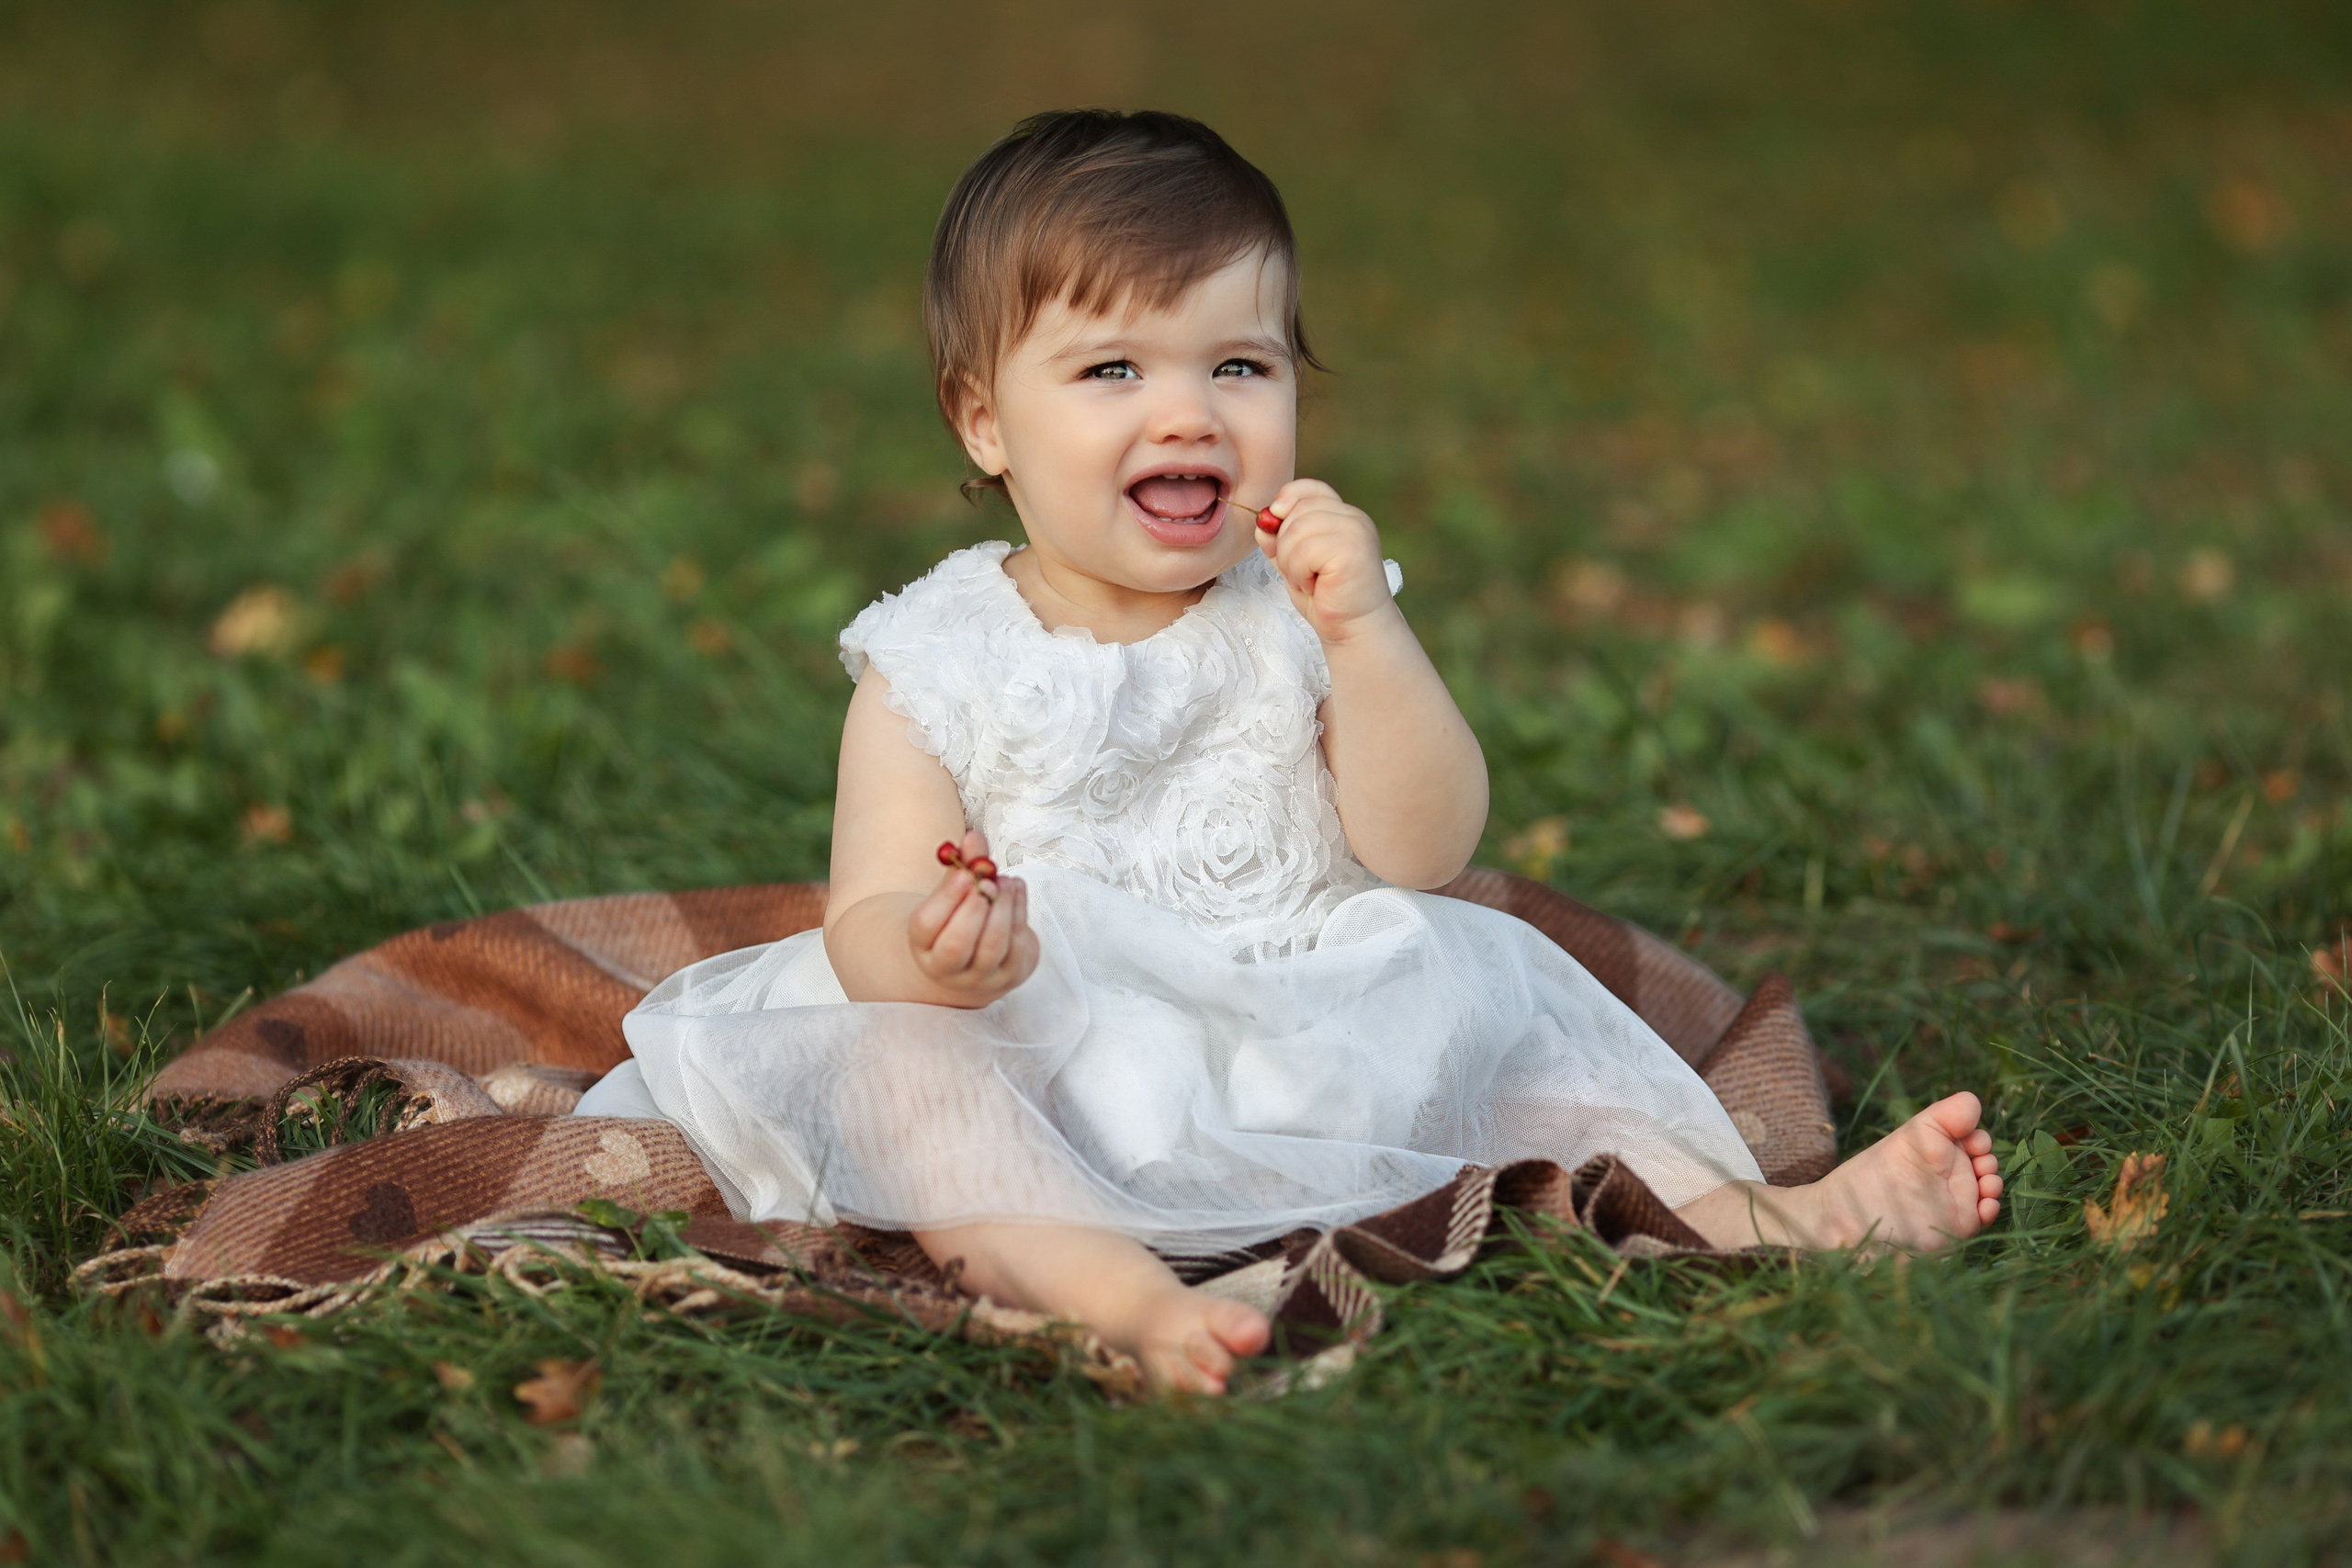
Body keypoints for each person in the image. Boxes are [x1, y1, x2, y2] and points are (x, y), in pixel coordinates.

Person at [576, 109, 2001, 1393]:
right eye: (1115, 367)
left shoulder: (1302, 613)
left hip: (1312, 1028)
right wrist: (937, 957)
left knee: (1498, 1009)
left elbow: (1424, 849)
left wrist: (1369, 632)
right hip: (1051, 1049)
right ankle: (1111, 1295)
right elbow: (865, 916)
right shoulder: (936, 657)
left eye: (1240, 364)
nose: (1189, 410)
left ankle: (1777, 1218)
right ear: (984, 420)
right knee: (894, 1065)